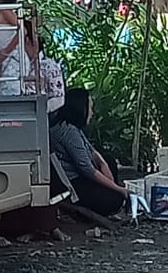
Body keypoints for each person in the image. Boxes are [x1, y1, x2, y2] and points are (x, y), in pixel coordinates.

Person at [50, 87, 129, 217]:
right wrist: (120, 190)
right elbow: (87, 169)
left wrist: (103, 164)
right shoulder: (68, 132)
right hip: (73, 182)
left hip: (80, 175)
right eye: (90, 108)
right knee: (115, 200)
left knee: (108, 160)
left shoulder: (72, 126)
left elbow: (90, 150)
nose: (92, 113)